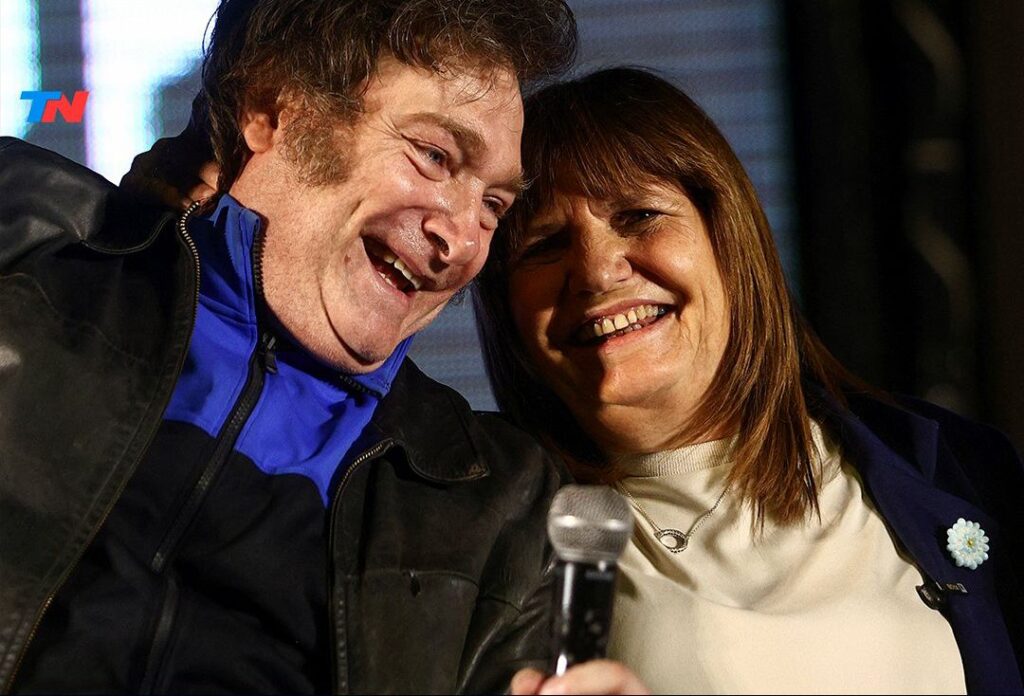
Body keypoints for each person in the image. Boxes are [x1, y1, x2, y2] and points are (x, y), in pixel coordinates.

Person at [0, 0, 579, 692]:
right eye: (433, 156)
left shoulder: (500, 507)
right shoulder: (27, 258)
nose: (460, 241)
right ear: (275, 111)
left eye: (493, 206)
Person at [476, 68, 1024, 695]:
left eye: (638, 215)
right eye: (545, 244)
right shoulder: (485, 543)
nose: (597, 272)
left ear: (728, 238)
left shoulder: (964, 468)